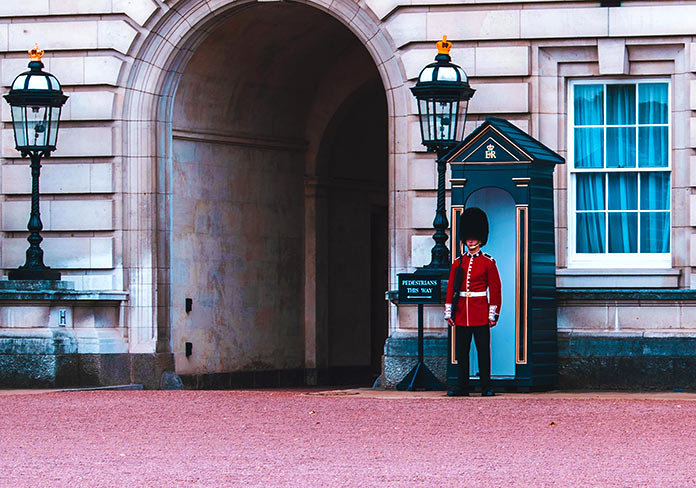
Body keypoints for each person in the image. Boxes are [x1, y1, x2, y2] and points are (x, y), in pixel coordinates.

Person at [444, 207, 501, 397]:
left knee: (483, 351)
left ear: (480, 239)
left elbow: (495, 289)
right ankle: (463, 386)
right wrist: (449, 311)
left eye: (474, 237)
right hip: (461, 313)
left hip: (479, 312)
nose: (470, 240)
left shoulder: (488, 262)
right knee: (462, 352)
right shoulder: (458, 262)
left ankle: (486, 386)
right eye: (468, 237)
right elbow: (451, 287)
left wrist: (493, 314)